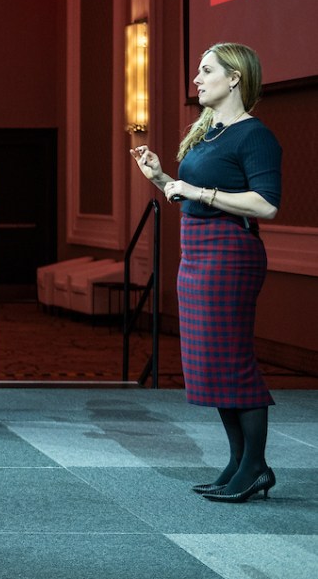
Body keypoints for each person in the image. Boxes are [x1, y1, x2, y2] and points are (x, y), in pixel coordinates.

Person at [131, 42, 282, 503]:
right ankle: (238, 464)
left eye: (205, 70)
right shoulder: (207, 132)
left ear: (235, 77)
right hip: (196, 254)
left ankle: (255, 466)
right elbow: (189, 195)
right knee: (213, 364)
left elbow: (266, 204)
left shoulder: (253, 135)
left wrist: (198, 189)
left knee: (233, 362)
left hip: (230, 254)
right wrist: (161, 179)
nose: (196, 80)